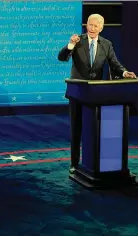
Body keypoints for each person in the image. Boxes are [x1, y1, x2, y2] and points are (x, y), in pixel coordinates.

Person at [58, 14, 136, 174]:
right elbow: (62, 57)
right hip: (78, 92)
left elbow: (115, 65)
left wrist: (125, 73)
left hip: (96, 95)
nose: (91, 28)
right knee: (76, 129)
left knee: (95, 130)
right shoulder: (77, 41)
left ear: (101, 27)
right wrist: (70, 45)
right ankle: (74, 164)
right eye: (89, 25)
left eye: (95, 26)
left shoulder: (106, 44)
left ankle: (94, 163)